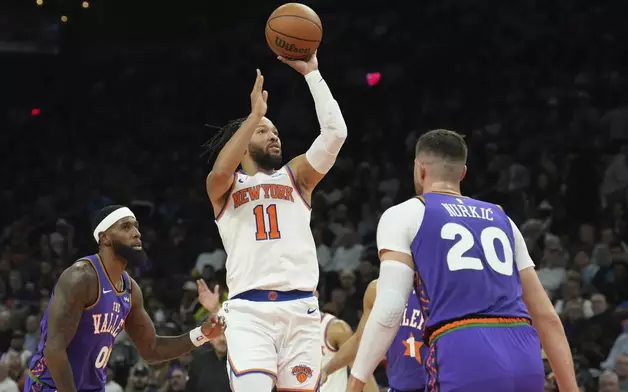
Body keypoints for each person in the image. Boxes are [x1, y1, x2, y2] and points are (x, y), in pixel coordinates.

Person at [347, 129, 578, 392]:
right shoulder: (503, 219)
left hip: (463, 350)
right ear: (463, 173)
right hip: (524, 353)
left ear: (419, 168)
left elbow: (389, 310)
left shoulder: (404, 214)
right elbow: (547, 317)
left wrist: (355, 383)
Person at [203, 52, 347, 391]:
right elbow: (221, 170)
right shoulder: (225, 188)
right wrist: (254, 116)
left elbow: (336, 133)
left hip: (301, 311)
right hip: (249, 312)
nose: (273, 135)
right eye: (262, 131)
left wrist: (313, 74)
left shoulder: (295, 176)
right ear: (242, 143)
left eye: (275, 131)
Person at [24, 205, 225, 392]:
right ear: (105, 238)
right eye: (126, 227)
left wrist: (203, 334)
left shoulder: (130, 290)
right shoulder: (81, 277)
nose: (137, 233)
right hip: (50, 386)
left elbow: (152, 350)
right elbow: (54, 350)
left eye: (136, 227)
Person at [321, 280, 423, 392]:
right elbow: (360, 341)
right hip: (397, 387)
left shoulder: (437, 288)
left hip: (434, 384)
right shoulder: (377, 288)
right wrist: (326, 370)